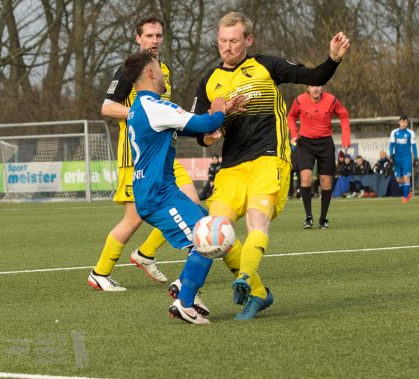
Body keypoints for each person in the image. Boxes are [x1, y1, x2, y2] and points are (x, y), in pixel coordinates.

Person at [193, 12, 350, 320]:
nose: (227, 47)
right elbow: (201, 134)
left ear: (248, 40)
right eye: (222, 41)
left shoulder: (266, 65)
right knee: (217, 236)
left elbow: (315, 77)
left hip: (268, 158)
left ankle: (246, 279)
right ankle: (260, 294)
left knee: (256, 222)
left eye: (234, 41)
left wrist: (332, 58)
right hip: (231, 168)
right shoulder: (208, 82)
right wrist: (211, 130)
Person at [88, 16, 202, 296]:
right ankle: (100, 273)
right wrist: (140, 115)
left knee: (192, 203)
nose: (154, 41)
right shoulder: (130, 71)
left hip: (163, 155)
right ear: (138, 39)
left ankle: (146, 253)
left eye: (158, 36)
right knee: (135, 217)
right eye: (149, 36)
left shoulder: (163, 69)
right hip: (136, 156)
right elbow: (106, 107)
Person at [122, 50, 235, 323]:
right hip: (157, 194)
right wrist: (218, 113)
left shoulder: (144, 108)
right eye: (159, 71)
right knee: (205, 241)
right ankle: (185, 303)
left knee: (207, 226)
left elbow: (191, 128)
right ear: (150, 73)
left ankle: (183, 286)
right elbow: (203, 122)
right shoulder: (154, 106)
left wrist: (214, 119)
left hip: (164, 189)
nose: (163, 76)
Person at [287, 85, 351, 229]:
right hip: (305, 143)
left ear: (323, 87)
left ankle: (323, 219)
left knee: (326, 182)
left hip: (325, 143)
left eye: (318, 85)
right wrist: (294, 134)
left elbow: (344, 115)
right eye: (312, 86)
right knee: (305, 177)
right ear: (307, 88)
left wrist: (346, 140)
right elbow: (291, 116)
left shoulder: (331, 100)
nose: (316, 88)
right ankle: (308, 217)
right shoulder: (299, 100)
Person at [389, 115, 418, 204]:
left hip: (406, 158)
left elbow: (414, 146)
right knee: (398, 180)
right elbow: (391, 145)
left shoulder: (410, 133)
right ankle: (408, 193)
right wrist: (391, 156)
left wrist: (416, 157)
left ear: (407, 123)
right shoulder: (394, 132)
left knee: (406, 178)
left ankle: (405, 197)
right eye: (402, 122)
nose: (404, 124)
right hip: (397, 158)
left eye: (406, 122)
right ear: (399, 122)